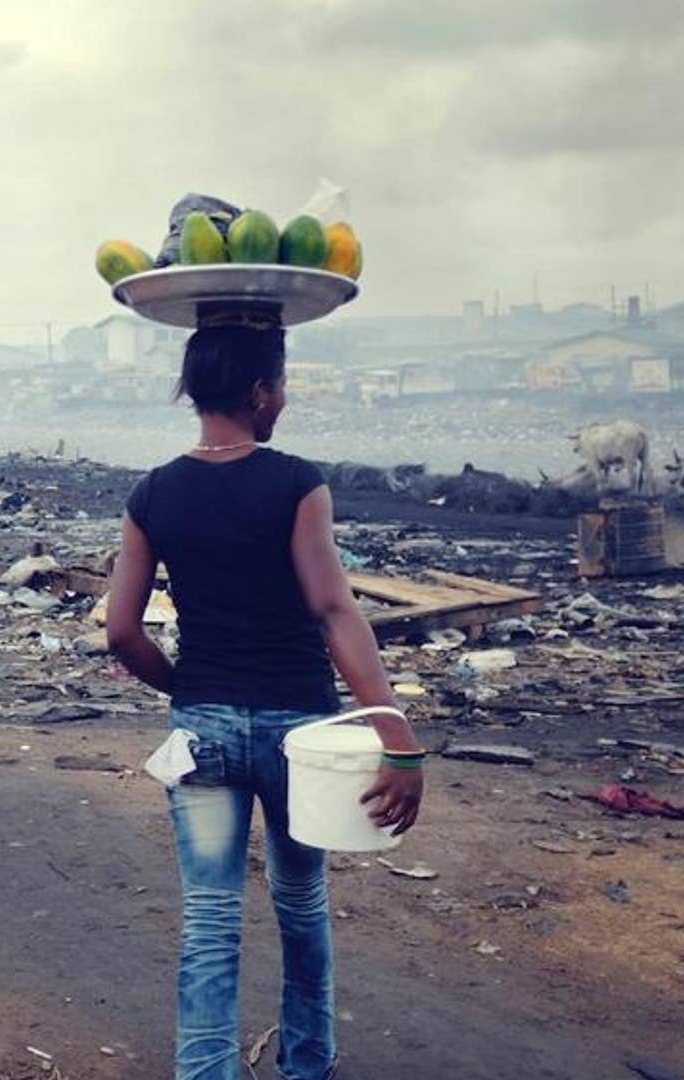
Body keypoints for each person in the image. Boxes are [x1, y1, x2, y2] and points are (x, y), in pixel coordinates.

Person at [104, 324, 425, 1080]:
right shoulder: (295, 483)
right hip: (299, 734)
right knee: (300, 902)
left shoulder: (152, 493)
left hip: (204, 732)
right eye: (279, 386)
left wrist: (187, 688)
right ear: (258, 393)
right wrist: (395, 731)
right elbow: (333, 609)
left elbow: (121, 631)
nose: (282, 399)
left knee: (211, 919)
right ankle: (308, 1064)